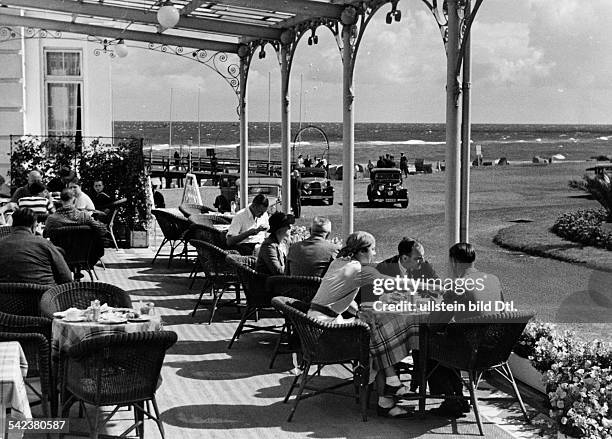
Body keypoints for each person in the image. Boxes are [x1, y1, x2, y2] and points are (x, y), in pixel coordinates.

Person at [308, 232, 411, 418]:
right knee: (376, 338)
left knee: (372, 328)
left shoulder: (338, 262)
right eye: (372, 249)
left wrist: (358, 312)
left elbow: (340, 296)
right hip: (325, 331)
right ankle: (387, 395)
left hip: (314, 323)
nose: (375, 252)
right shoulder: (357, 269)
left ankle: (389, 389)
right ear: (363, 251)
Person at [427, 243, 504, 417]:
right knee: (450, 341)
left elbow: (434, 323)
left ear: (453, 262)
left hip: (470, 353)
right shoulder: (493, 279)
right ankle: (457, 397)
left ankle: (451, 399)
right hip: (495, 351)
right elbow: (500, 311)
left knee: (427, 344)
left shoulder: (458, 285)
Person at [0, 208, 72, 285]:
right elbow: (66, 277)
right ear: (34, 227)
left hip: (5, 295)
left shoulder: (1, 243)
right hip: (43, 295)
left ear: (12, 225)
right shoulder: (45, 244)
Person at [45, 188, 106, 274]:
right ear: (74, 200)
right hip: (83, 256)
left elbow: (45, 235)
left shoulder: (52, 219)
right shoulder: (84, 216)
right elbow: (102, 230)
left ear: (61, 201)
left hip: (59, 258)